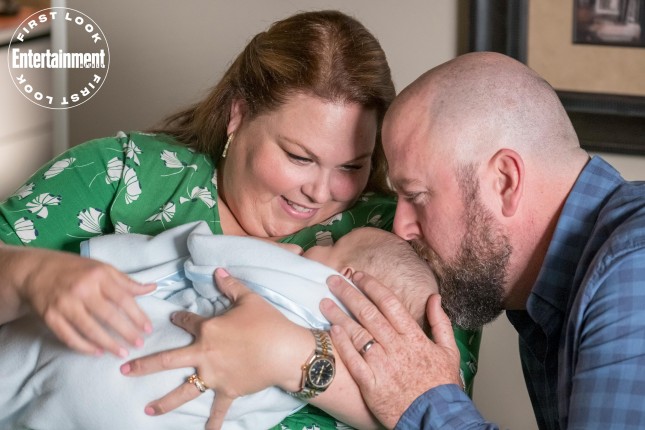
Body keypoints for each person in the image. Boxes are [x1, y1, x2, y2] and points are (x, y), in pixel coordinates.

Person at [0, 10, 481, 430]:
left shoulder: (391, 236)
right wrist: (27, 275)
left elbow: (443, 402)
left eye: (351, 167)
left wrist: (286, 355)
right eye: (299, 157)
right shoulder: (124, 176)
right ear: (238, 116)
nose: (320, 192)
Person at [316, 51, 645, 429]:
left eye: (416, 196)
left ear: (504, 182)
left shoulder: (633, 269)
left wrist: (422, 398)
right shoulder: (538, 299)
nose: (401, 228)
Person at [0, 223, 436, 430]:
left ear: (347, 277)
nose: (312, 245)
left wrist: (264, 251)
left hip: (114, 361)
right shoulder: (365, 379)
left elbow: (206, 257)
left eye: (333, 244)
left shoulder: (307, 280)